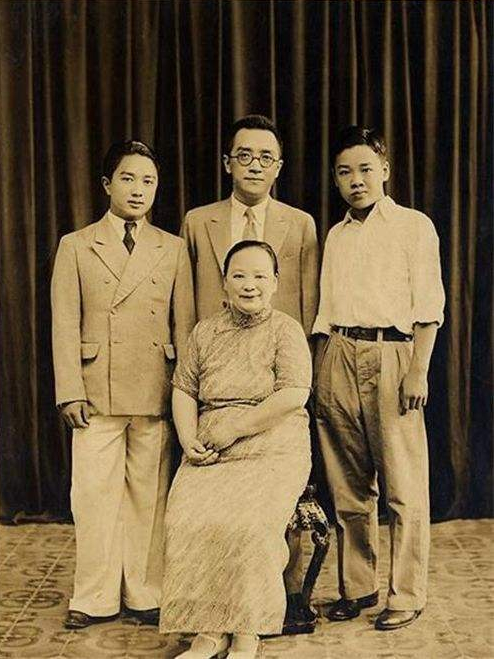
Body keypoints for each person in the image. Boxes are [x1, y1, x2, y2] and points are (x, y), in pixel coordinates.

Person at [181, 114, 319, 629]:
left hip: (275, 384)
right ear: (227, 163)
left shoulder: (300, 224)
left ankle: (283, 598)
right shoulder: (199, 222)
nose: (254, 165)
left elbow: (307, 307)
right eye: (244, 155)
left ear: (279, 166)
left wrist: (294, 378)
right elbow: (184, 305)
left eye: (265, 157)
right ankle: (208, 612)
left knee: (265, 508)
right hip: (213, 377)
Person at [51, 140, 195, 629]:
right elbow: (64, 324)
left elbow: (184, 326)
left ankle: (144, 591)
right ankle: (92, 596)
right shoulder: (76, 245)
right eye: (128, 179)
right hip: (96, 389)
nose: (138, 190)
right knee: (93, 495)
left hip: (155, 386)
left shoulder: (172, 248)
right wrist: (69, 390)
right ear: (107, 184)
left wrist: (184, 394)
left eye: (148, 181)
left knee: (147, 496)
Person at [313, 126, 445, 631]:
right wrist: (323, 371)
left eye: (366, 169)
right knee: (348, 486)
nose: (356, 180)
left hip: (394, 355)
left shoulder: (414, 226)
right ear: (335, 180)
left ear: (385, 170)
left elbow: (428, 308)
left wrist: (417, 371)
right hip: (338, 352)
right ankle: (358, 587)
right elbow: (326, 309)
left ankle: (407, 594)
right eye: (345, 172)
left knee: (403, 485)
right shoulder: (336, 235)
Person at [159, 241, 312, 658]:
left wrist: (237, 428)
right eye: (239, 275)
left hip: (273, 445)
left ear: (275, 282)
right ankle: (209, 631)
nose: (249, 285)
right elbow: (184, 390)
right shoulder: (205, 331)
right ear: (224, 282)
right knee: (187, 519)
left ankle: (247, 630)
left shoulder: (285, 330)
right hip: (210, 447)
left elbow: (294, 394)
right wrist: (187, 437)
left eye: (260, 276)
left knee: (250, 525)